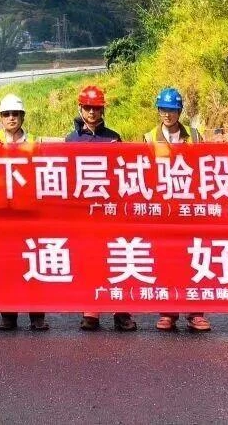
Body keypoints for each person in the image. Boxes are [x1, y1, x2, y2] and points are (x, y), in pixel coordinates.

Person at [65, 85, 134, 332]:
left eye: (96, 108)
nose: (92, 112)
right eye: (88, 108)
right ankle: (90, 310)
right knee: (89, 259)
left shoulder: (114, 138)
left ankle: (121, 311)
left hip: (110, 210)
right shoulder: (71, 140)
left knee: (117, 257)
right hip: (84, 211)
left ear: (102, 109)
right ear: (80, 108)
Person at [143, 89, 211, 333]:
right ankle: (168, 312)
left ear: (179, 111)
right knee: (167, 260)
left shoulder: (194, 135)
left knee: (195, 258)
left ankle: (196, 313)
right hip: (163, 209)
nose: (167, 114)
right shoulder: (149, 137)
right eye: (163, 109)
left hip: (190, 209)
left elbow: (206, 166)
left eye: (172, 110)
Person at [0, 95, 48, 332]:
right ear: (1, 118)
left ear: (22, 117)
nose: (11, 118)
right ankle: (8, 315)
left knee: (32, 260)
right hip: (1, 211)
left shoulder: (33, 142)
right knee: (6, 265)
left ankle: (37, 316)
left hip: (29, 211)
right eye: (6, 114)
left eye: (15, 114)